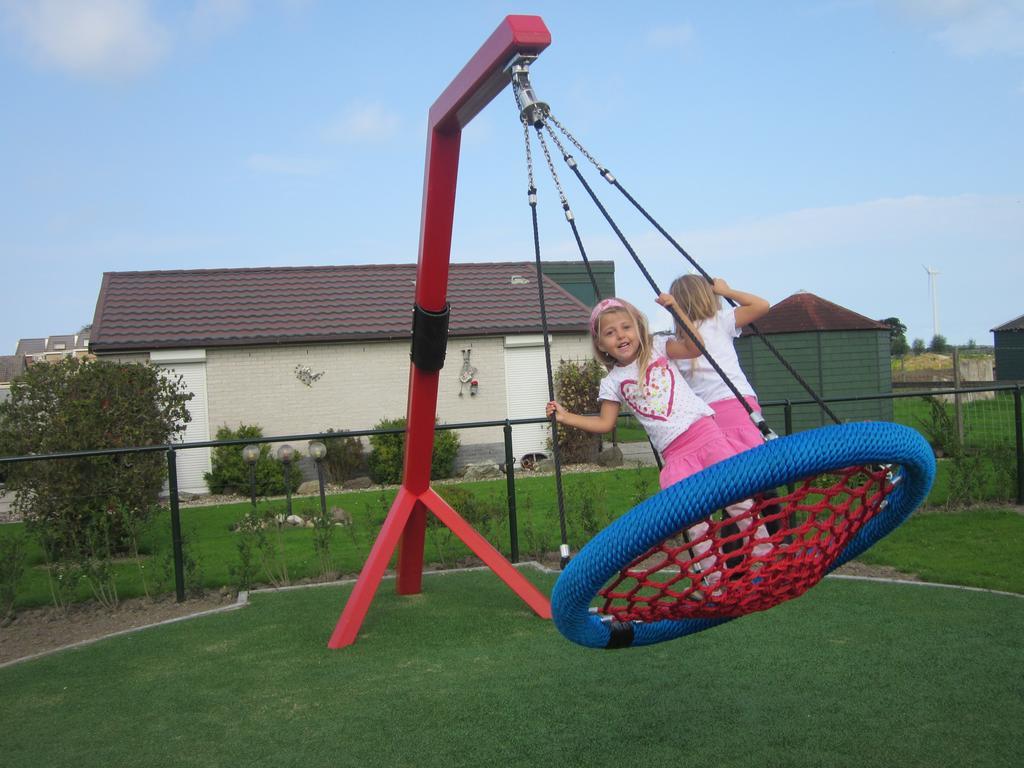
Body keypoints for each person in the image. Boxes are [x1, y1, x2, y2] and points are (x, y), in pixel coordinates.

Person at [545, 296, 768, 582]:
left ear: (639, 329)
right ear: (601, 344)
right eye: (610, 333)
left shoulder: (660, 348)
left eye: (626, 327)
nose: (620, 336)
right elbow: (605, 423)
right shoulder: (612, 382)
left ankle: (765, 558)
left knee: (738, 498)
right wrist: (566, 417)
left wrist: (675, 309)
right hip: (674, 454)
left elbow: (695, 346)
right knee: (695, 520)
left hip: (705, 433)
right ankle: (715, 582)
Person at [669, 275, 771, 453]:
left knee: (724, 462)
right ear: (708, 296)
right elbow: (761, 305)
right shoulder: (719, 320)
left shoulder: (676, 343)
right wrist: (726, 291)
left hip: (705, 413)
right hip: (736, 401)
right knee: (752, 460)